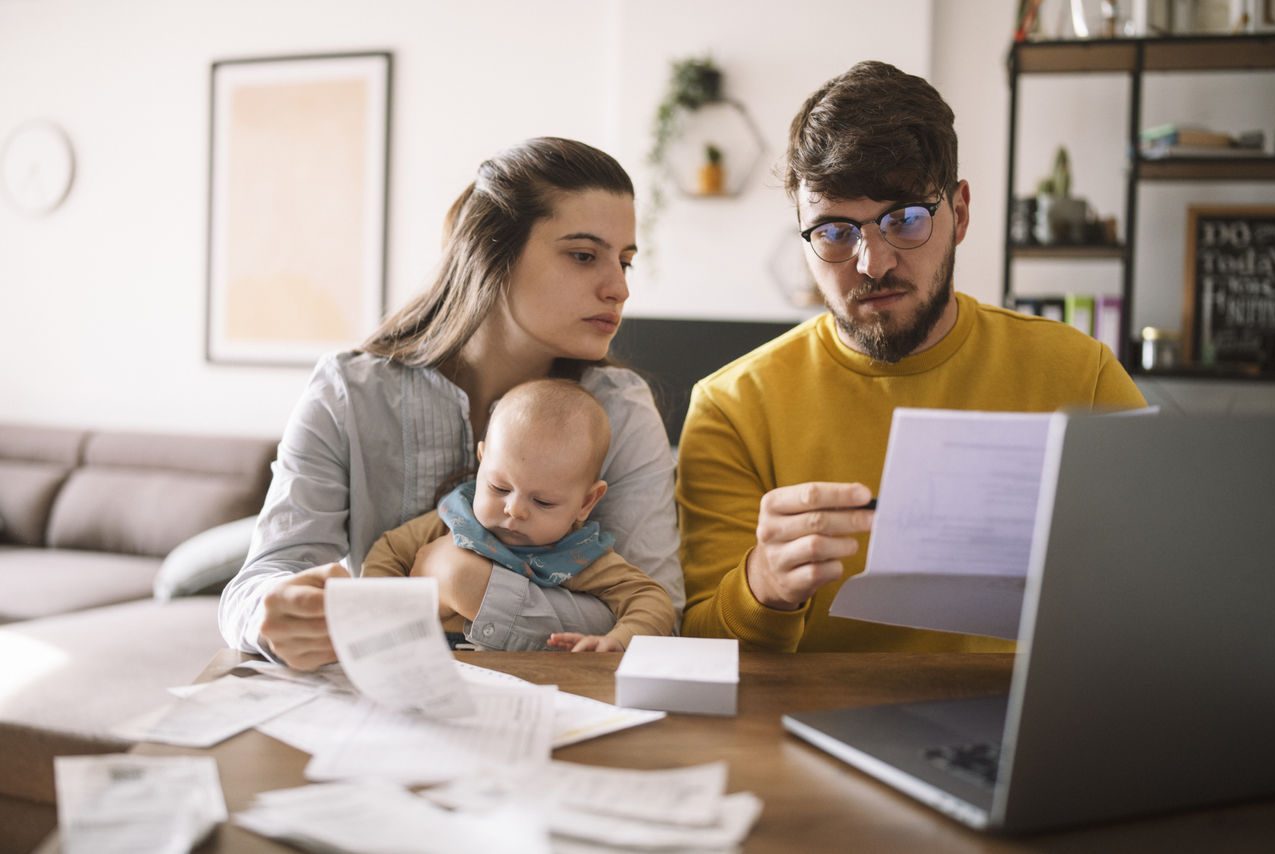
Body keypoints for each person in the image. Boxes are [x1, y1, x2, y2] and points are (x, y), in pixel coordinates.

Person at [677, 61, 1146, 653]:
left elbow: (1165, 590)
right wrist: (763, 587)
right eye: (834, 231)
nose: (873, 263)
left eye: (905, 219)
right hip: (806, 734)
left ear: (962, 214)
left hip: (1025, 727)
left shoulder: (1083, 375)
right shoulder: (731, 408)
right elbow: (696, 652)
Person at [219, 137, 683, 670]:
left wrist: (464, 583)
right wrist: (271, 615)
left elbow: (660, 614)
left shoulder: (620, 410)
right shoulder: (348, 394)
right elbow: (255, 586)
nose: (619, 288)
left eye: (624, 261)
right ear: (492, 255)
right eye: (583, 256)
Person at [362, 378, 676, 652]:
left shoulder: (578, 555)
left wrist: (620, 639)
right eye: (499, 487)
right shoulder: (455, 518)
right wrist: (379, 618)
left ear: (586, 502)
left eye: (543, 502)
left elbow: (652, 601)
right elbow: (388, 551)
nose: (514, 509)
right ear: (482, 461)